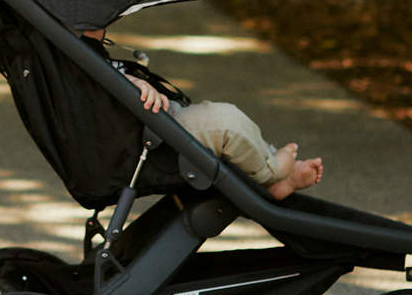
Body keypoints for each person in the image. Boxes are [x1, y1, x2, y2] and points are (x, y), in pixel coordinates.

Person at [82, 31, 323, 200]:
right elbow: (91, 88)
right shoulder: (73, 57)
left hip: (155, 120)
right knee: (225, 123)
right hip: (148, 135)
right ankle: (273, 173)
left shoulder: (79, 50)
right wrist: (129, 81)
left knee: (221, 122)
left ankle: (274, 167)